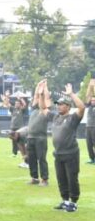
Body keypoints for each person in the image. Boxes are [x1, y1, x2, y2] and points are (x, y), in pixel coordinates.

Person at [51, 84, 85, 212]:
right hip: (58, 154)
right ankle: (65, 201)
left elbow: (81, 107)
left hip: (70, 153)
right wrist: (40, 92)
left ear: (68, 106)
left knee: (72, 178)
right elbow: (43, 107)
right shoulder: (56, 117)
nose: (58, 106)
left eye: (61, 104)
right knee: (61, 178)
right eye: (57, 104)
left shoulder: (72, 118)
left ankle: (73, 202)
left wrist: (71, 94)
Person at [26, 79, 51, 186]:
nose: (37, 100)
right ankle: (34, 178)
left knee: (41, 159)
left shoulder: (46, 110)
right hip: (30, 137)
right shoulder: (33, 109)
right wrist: (37, 86)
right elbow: (36, 96)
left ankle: (44, 179)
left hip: (40, 138)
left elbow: (46, 98)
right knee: (31, 159)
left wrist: (44, 88)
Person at [4, 91, 28, 165]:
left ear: (20, 105)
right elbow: (7, 104)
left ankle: (23, 152)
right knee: (13, 140)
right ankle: (14, 152)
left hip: (20, 128)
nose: (16, 105)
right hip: (13, 127)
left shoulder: (21, 110)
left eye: (17, 104)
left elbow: (25, 104)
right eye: (15, 104)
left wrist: (20, 99)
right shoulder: (13, 109)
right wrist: (7, 97)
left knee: (21, 141)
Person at [85, 79, 95, 165]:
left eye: (94, 100)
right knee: (89, 144)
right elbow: (88, 96)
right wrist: (89, 86)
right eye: (92, 100)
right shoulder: (89, 106)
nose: (92, 101)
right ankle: (92, 159)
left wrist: (94, 86)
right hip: (88, 126)